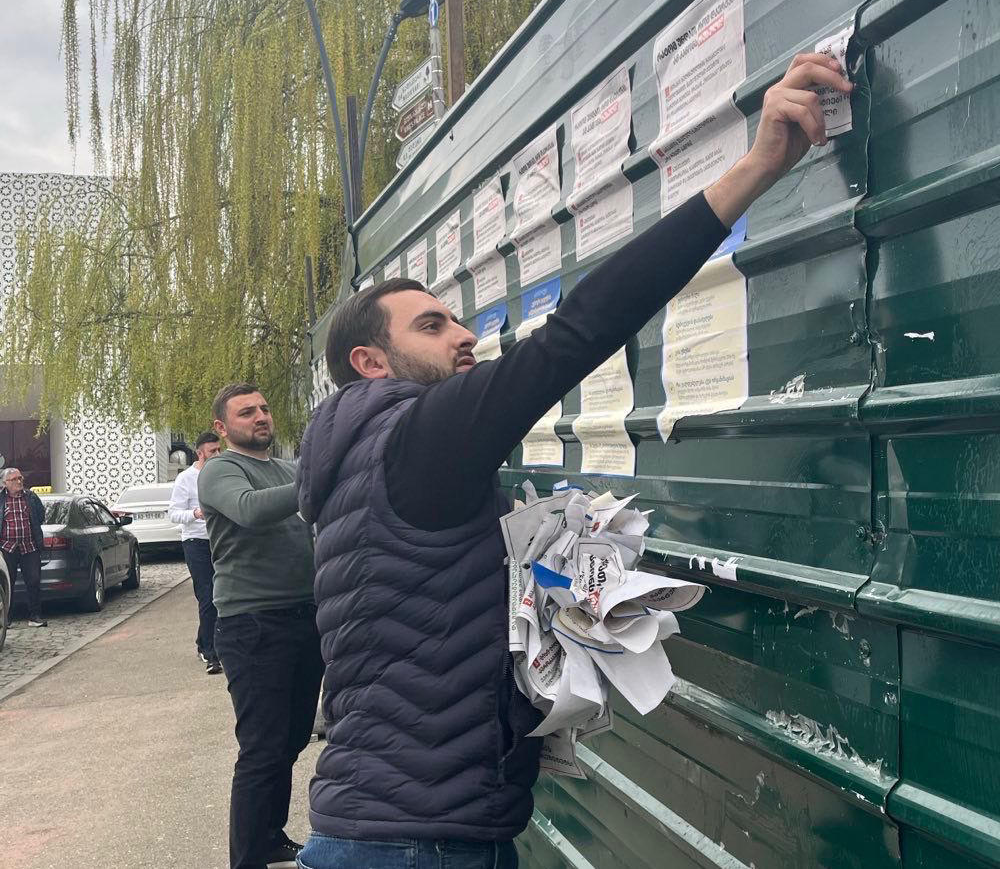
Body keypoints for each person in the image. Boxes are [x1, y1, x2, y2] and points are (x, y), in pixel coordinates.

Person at [295, 51, 850, 869]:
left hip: (377, 829)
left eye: (457, 319)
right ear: (370, 363)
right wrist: (758, 166)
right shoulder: (417, 439)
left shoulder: (351, 464)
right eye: (432, 325)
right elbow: (579, 331)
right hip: (420, 849)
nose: (464, 336)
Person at [199, 383, 323, 869]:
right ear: (221, 427)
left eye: (265, 409)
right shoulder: (222, 470)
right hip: (253, 625)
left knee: (291, 739)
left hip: (304, 617)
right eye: (246, 412)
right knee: (262, 748)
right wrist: (315, 481)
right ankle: (247, 858)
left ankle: (271, 837)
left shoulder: (288, 467)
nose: (260, 417)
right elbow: (251, 510)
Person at [168, 431, 223, 674]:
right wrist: (195, 514)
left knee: (222, 596)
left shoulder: (222, 474)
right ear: (200, 453)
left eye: (219, 450)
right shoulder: (186, 479)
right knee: (207, 596)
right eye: (213, 451)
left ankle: (205, 641)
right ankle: (211, 653)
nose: (217, 454)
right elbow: (173, 514)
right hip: (196, 542)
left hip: (221, 541)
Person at [0, 467, 47, 628]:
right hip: (7, 548)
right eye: (14, 479)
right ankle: (6, 619)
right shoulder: (1, 499)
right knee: (7, 582)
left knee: (33, 581)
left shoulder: (30, 497)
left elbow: (41, 515)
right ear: (5, 483)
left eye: (20, 478)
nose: (19, 481)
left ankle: (35, 616)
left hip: (29, 547)